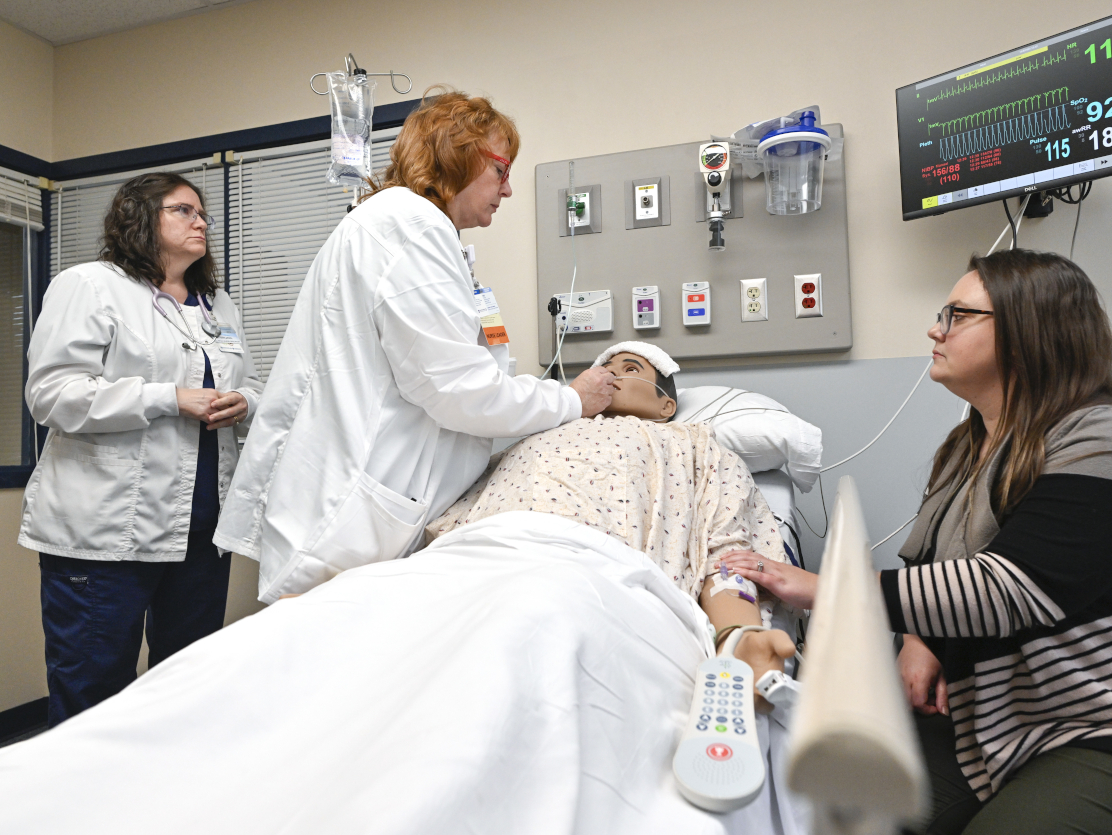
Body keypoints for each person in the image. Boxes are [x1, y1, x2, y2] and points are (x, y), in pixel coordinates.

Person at [721, 249, 1112, 833]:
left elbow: (1014, 588)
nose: (934, 328)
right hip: (1002, 724)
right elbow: (929, 560)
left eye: (958, 314)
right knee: (833, 810)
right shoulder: (969, 444)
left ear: (1027, 332)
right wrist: (922, 640)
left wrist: (825, 589)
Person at [214, 88, 614, 603]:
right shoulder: (411, 227)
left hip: (361, 510)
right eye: (501, 169)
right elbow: (458, 390)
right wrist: (573, 399)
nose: (508, 189)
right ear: (458, 153)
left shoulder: (414, 228)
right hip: (349, 526)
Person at [19, 172, 263, 727]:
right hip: (105, 537)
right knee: (95, 694)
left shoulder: (216, 304)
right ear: (139, 218)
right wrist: (165, 397)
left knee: (186, 690)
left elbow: (248, 382)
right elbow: (52, 395)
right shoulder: (90, 285)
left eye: (202, 213)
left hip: (200, 537)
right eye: (183, 211)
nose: (201, 221)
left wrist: (245, 402)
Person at [427, 341, 797, 695]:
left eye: (630, 368)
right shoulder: (538, 432)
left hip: (594, 572)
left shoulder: (693, 444)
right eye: (602, 368)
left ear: (666, 406)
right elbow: (456, 517)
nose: (608, 375)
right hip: (483, 560)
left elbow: (726, 555)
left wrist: (739, 635)